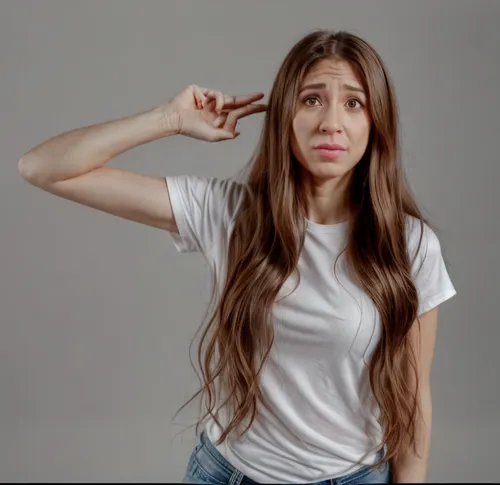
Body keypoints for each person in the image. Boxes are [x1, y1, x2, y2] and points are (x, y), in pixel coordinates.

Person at [19, 29, 456, 484]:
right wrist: (167, 118)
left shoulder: (410, 245)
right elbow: (43, 167)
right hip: (230, 474)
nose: (331, 122)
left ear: (376, 121)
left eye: (353, 103)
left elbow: (413, 398)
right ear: (284, 115)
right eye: (311, 100)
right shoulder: (229, 213)